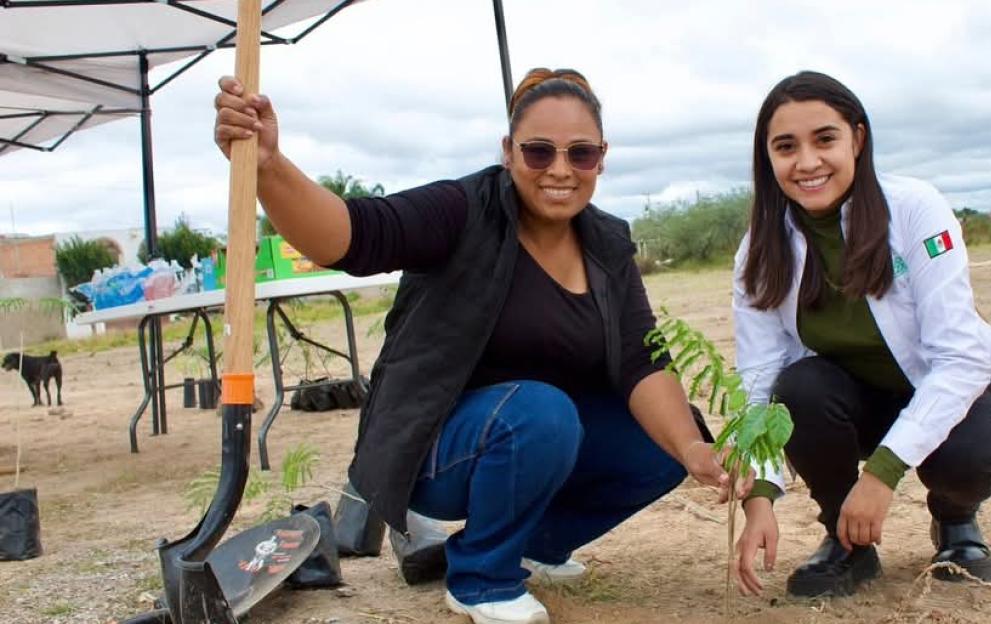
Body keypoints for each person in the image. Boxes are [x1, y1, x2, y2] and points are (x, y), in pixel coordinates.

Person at [213, 68, 740, 624]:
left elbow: (640, 358)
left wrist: (691, 449)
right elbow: (351, 235)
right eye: (539, 152)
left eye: (579, 154)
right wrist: (269, 167)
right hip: (437, 450)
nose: (560, 169)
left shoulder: (606, 241)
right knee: (542, 412)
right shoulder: (461, 210)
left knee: (665, 439)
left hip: (538, 435)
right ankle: (481, 578)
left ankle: (533, 546)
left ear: (601, 158)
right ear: (509, 151)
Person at [730, 71, 991, 599]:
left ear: (857, 140)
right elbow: (758, 378)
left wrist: (883, 473)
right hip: (850, 404)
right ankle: (848, 543)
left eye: (825, 139)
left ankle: (956, 521)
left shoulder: (915, 209)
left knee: (967, 458)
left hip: (942, 393)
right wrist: (761, 495)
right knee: (797, 389)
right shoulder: (759, 250)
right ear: (767, 158)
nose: (807, 162)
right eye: (786, 146)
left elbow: (960, 357)